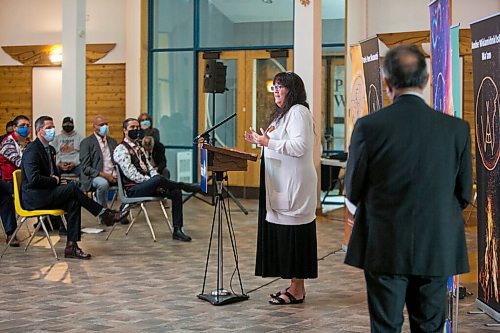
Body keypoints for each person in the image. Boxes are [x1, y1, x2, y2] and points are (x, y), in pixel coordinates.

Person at [344, 45, 472, 332]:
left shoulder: (368, 127)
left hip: (385, 243)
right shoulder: (456, 129)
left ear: (388, 83)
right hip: (436, 243)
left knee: (386, 326)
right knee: (430, 326)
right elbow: (464, 193)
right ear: (426, 81)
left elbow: (353, 190)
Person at [244, 72, 318, 305]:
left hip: (293, 186)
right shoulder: (283, 115)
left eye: (280, 87)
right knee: (287, 237)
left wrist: (267, 142)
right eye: (274, 87)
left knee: (295, 237)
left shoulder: (298, 112)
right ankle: (295, 286)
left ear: (292, 90)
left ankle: (297, 290)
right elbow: (276, 143)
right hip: (280, 185)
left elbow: (299, 146)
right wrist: (260, 140)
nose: (275, 91)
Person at [21, 116, 129, 260]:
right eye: (48, 128)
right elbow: (34, 179)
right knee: (72, 189)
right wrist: (55, 181)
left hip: (47, 192)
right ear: (39, 131)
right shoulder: (32, 150)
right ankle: (105, 214)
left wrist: (59, 181)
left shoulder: (51, 149)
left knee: (73, 201)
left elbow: (54, 174)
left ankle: (72, 247)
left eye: (52, 127)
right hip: (34, 197)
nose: (52, 130)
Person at [113, 118, 200, 242]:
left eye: (137, 127)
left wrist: (153, 180)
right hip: (133, 189)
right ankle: (185, 186)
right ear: (125, 130)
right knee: (158, 179)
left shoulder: (139, 148)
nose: (136, 130)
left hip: (148, 186)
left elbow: (150, 168)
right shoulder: (120, 150)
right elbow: (131, 174)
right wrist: (151, 181)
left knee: (175, 192)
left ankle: (177, 230)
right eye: (132, 127)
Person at [0, 115, 32, 246]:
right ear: (14, 128)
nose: (25, 128)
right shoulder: (7, 143)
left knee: (4, 197)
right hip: (7, 181)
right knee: (4, 195)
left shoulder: (27, 143)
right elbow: (20, 163)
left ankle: (10, 233)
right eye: (22, 125)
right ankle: (11, 233)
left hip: (20, 183)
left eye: (27, 126)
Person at [80, 115, 119, 211]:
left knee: (129, 182)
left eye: (106, 124)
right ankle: (104, 213)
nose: (105, 127)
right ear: (94, 127)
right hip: (94, 176)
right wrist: (105, 175)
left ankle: (123, 211)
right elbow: (85, 167)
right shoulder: (86, 142)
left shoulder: (112, 141)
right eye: (101, 125)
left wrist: (117, 174)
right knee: (103, 184)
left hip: (114, 174)